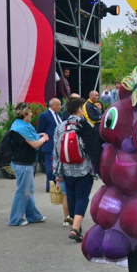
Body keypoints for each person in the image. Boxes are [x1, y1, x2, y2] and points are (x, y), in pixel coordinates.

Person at [53, 97, 95, 242]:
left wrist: (57, 172)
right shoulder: (85, 125)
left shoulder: (60, 127)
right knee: (83, 197)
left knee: (71, 197)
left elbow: (56, 152)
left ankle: (77, 224)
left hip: (66, 169)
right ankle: (75, 229)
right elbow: (92, 148)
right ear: (79, 109)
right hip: (83, 169)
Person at [8, 103, 49, 226]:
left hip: (24, 162)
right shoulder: (21, 127)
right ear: (25, 114)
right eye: (30, 112)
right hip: (23, 163)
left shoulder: (21, 124)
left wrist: (39, 136)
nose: (32, 114)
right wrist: (44, 139)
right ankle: (15, 219)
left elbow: (32, 138)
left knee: (28, 190)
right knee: (22, 191)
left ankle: (33, 216)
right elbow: (35, 144)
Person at [36, 98, 63, 192]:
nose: (60, 106)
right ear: (52, 105)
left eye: (60, 105)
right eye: (58, 105)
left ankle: (56, 184)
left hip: (59, 145)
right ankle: (50, 186)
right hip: (50, 145)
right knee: (50, 167)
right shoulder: (45, 116)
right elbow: (40, 130)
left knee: (57, 166)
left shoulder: (58, 115)